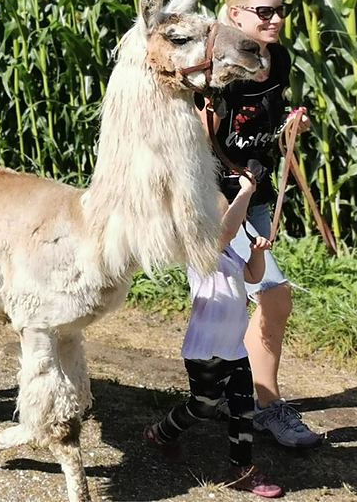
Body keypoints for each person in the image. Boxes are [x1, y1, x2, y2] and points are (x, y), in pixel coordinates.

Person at [206, 0, 321, 449]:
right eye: (264, 11)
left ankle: (228, 394)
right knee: (273, 297)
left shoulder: (280, 58)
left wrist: (292, 125)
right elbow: (201, 138)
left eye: (280, 10)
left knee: (244, 301)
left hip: (258, 192)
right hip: (221, 198)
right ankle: (266, 406)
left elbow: (269, 119)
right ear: (236, 15)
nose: (276, 19)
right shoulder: (219, 69)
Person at [144, 171, 284, 498]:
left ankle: (243, 469)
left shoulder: (230, 253)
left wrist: (258, 253)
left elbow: (253, 276)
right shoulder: (199, 252)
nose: (230, 225)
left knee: (243, 408)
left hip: (234, 348)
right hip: (205, 351)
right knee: (203, 406)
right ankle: (161, 433)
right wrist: (246, 192)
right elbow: (227, 230)